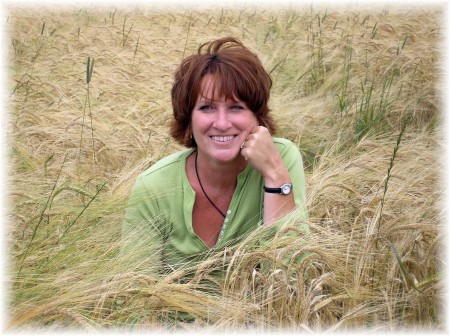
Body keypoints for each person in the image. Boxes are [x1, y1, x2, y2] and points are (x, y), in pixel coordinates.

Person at [122, 37, 308, 269]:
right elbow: (132, 294)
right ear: (188, 118)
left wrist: (274, 175)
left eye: (236, 107)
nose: (221, 123)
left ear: (258, 117)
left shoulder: (281, 158)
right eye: (206, 107)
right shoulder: (153, 187)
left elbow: (291, 278)